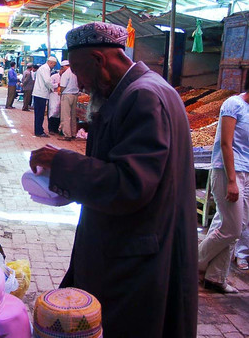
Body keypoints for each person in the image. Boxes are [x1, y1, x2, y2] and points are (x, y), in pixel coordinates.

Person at [29, 22, 198, 337]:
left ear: (99, 59)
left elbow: (130, 184)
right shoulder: (134, 92)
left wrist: (62, 162)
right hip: (131, 242)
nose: (80, 82)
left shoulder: (144, 97)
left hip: (136, 254)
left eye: (79, 71)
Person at [198, 83, 249, 293]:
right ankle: (194, 263)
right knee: (232, 228)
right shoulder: (233, 104)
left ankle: (215, 278)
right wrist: (231, 180)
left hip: (247, 173)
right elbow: (226, 144)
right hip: (229, 171)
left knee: (234, 225)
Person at [32, 56, 57, 137]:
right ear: (51, 62)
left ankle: (39, 129)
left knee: (39, 113)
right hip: (40, 94)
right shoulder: (45, 69)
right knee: (39, 113)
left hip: (40, 94)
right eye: (54, 64)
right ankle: (39, 131)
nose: (54, 66)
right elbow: (47, 81)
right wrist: (53, 88)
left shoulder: (44, 68)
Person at [59, 60, 80, 141]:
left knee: (66, 116)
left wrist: (60, 92)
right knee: (73, 116)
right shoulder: (76, 73)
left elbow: (63, 86)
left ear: (64, 66)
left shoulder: (66, 74)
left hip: (67, 95)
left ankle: (67, 135)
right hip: (75, 95)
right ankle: (73, 133)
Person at [47, 64, 68, 135]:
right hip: (54, 95)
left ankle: (56, 129)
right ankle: (51, 129)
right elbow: (50, 85)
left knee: (59, 113)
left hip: (61, 96)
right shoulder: (54, 76)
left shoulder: (66, 77)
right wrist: (57, 85)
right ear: (61, 69)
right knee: (53, 111)